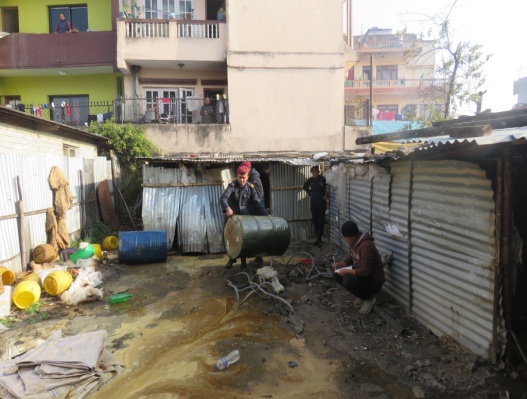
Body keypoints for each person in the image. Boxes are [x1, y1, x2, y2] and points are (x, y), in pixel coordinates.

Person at [220, 163, 268, 272]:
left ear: (247, 177)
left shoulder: (251, 188)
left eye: (244, 178)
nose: (242, 180)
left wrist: (266, 216)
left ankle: (243, 264)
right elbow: (223, 198)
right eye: (240, 177)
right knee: (230, 240)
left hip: (245, 219)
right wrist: (227, 208)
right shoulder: (232, 186)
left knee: (243, 240)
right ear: (237, 176)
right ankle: (232, 258)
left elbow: (258, 203)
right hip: (232, 218)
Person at [331, 221, 385, 314]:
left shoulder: (366, 246)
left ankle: (368, 298)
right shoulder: (354, 242)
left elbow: (366, 271)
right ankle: (362, 295)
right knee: (336, 274)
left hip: (374, 281)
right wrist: (340, 264)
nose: (345, 239)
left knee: (348, 281)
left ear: (353, 236)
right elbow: (352, 257)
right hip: (363, 275)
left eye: (346, 237)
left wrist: (347, 272)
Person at [239, 161, 265, 268]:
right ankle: (256, 259)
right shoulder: (252, 178)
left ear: (248, 169)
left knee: (256, 236)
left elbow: (257, 199)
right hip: (254, 211)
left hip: (256, 212)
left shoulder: (254, 180)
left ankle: (258, 259)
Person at [303, 165, 327, 247]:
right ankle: (317, 238)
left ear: (318, 172)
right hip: (314, 203)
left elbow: (328, 188)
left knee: (321, 220)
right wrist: (309, 193)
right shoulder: (310, 180)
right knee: (315, 220)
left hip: (321, 203)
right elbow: (304, 186)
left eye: (316, 172)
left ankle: (320, 239)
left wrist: (326, 195)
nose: (314, 174)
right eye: (313, 172)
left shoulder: (322, 179)